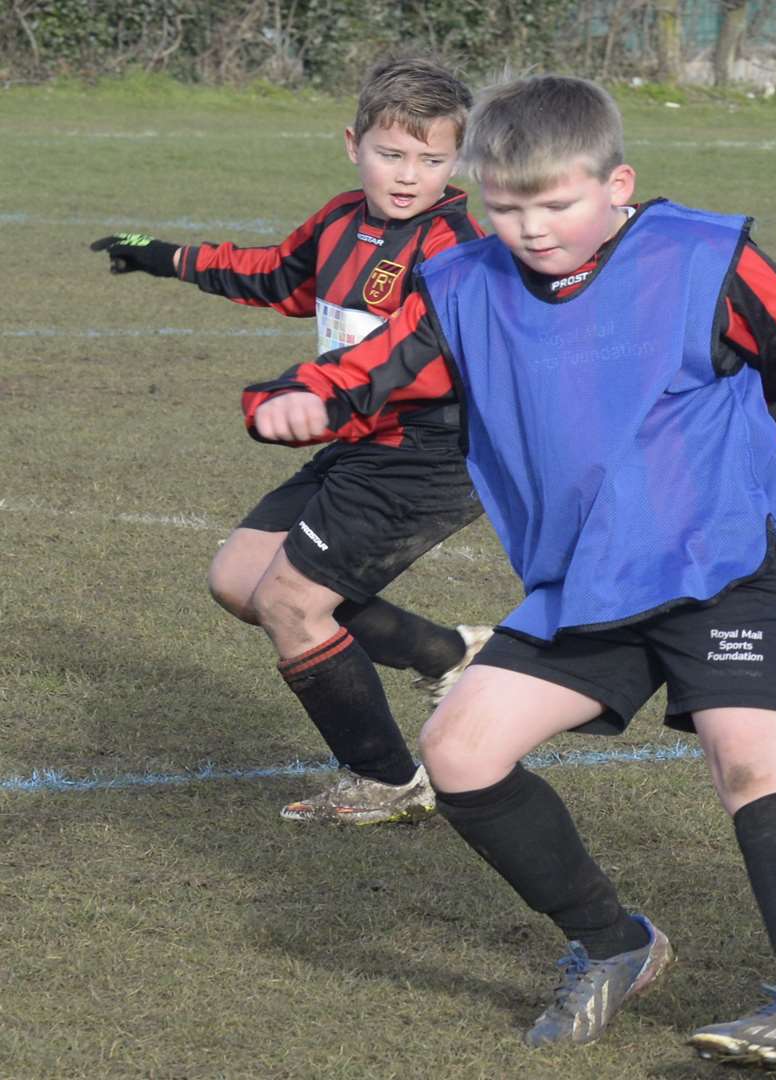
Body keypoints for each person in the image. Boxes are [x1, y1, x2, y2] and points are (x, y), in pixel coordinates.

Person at [244, 75, 776, 1072]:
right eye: (504, 206)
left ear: (616, 183)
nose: (530, 228)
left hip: (724, 557)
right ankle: (616, 941)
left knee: (750, 761)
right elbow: (383, 365)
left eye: (555, 204)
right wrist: (305, 393)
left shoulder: (702, 257)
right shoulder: (461, 283)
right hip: (590, 575)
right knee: (459, 751)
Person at [88, 57, 492, 825]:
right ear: (353, 144)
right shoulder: (343, 219)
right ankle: (446, 653)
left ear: (458, 160)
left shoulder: (456, 249)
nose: (409, 175)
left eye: (433, 159)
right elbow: (276, 273)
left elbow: (426, 358)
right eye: (392, 154)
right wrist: (164, 255)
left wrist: (313, 391)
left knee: (290, 601)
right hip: (356, 439)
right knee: (240, 579)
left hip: (425, 454)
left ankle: (386, 779)